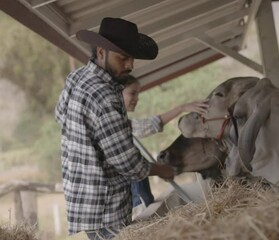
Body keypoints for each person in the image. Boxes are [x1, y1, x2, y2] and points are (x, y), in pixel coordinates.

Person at [55, 17, 175, 239]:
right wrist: (162, 169)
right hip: (108, 209)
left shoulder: (75, 78)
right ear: (101, 52)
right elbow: (128, 163)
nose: (130, 65)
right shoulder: (105, 96)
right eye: (124, 58)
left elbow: (59, 115)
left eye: (131, 58)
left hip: (85, 202)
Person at [121, 75, 208, 209]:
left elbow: (148, 126)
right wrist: (160, 170)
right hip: (131, 203)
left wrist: (182, 108)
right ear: (116, 92)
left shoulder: (122, 122)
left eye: (137, 93)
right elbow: (130, 163)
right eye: (132, 93)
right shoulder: (114, 125)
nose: (137, 98)